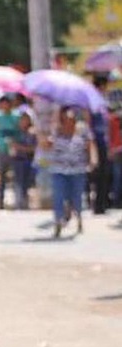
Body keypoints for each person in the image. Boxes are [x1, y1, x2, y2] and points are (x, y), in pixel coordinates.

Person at [45, 107, 95, 238]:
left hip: (77, 171)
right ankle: (58, 223)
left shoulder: (83, 131)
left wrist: (92, 161)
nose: (68, 122)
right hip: (59, 170)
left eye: (71, 120)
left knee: (77, 198)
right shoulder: (56, 131)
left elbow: (90, 146)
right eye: (66, 119)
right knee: (58, 197)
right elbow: (45, 144)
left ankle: (79, 219)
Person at [0, 95, 20, 210]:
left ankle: (17, 202)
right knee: (0, 178)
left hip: (14, 149)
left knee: (16, 177)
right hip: (0, 150)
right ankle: (0, 203)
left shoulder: (16, 116)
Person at [90, 74, 110, 214]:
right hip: (96, 141)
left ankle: (102, 204)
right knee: (99, 173)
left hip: (103, 140)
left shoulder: (101, 101)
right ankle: (98, 205)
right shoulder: (93, 102)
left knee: (104, 173)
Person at [11, 111, 37, 210]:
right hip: (18, 159)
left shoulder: (32, 133)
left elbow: (34, 147)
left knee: (27, 182)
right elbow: (13, 145)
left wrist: (22, 148)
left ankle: (25, 202)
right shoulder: (16, 133)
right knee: (18, 181)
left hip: (29, 159)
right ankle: (18, 203)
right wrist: (24, 148)